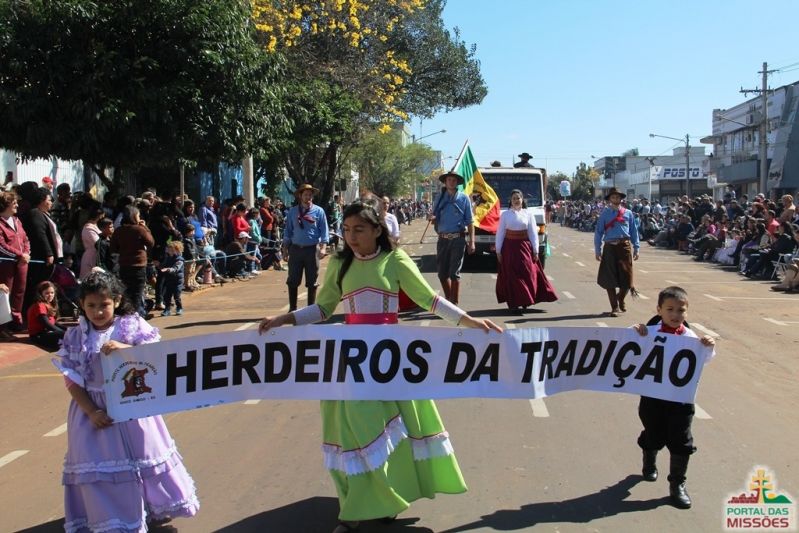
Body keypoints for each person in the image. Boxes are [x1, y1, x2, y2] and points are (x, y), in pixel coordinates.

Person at [258, 201, 501, 533]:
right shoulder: (340, 263)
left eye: (359, 229)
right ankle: (352, 511)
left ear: (376, 230)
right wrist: (284, 319)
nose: (351, 236)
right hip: (352, 362)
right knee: (351, 432)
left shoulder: (395, 259)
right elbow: (324, 308)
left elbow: (429, 299)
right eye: (346, 230)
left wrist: (469, 321)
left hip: (390, 361)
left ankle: (387, 497)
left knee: (393, 432)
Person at [51, 271, 199, 530]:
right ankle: (111, 517)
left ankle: (154, 506)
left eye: (104, 304)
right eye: (91, 305)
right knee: (100, 466)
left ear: (117, 301)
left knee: (143, 455)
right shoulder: (76, 335)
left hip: (133, 404)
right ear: (82, 304)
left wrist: (126, 349)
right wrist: (91, 411)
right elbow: (72, 380)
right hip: (92, 410)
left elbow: (155, 357)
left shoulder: (131, 326)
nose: (98, 311)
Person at [632, 286, 716, 509]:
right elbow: (629, 348)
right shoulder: (649, 332)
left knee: (681, 441)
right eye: (670, 309)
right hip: (653, 398)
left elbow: (704, 359)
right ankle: (649, 460)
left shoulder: (690, 337)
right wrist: (636, 332)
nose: (675, 314)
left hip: (680, 401)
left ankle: (677, 484)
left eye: (681, 310)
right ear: (659, 309)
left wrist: (708, 346)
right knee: (654, 434)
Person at [495, 189, 558, 311]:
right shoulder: (505, 215)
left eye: (518, 198)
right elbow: (500, 233)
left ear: (522, 200)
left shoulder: (528, 214)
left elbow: (533, 233)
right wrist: (498, 250)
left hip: (524, 247)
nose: (516, 200)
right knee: (511, 275)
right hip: (509, 248)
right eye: (514, 198)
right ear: (510, 201)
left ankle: (525, 300)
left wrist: (535, 250)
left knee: (527, 272)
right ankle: (514, 303)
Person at [283, 183, 329, 310]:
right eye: (305, 195)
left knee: (312, 281)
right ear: (300, 196)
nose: (308, 197)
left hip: (312, 250)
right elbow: (288, 232)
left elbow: (324, 231)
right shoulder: (292, 212)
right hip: (296, 249)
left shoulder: (319, 211)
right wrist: (285, 249)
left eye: (310, 195)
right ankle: (293, 309)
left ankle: (310, 310)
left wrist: (323, 247)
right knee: (293, 280)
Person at [594, 187, 639, 316]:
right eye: (613, 197)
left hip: (624, 247)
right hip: (609, 247)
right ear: (609, 199)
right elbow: (598, 232)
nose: (615, 199)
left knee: (627, 278)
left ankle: (621, 298)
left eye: (618, 197)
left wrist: (636, 248)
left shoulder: (628, 213)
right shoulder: (605, 214)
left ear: (621, 199)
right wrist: (597, 250)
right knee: (610, 279)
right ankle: (614, 307)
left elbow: (634, 231)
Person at [431, 171, 474, 304]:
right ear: (445, 182)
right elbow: (434, 216)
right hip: (442, 239)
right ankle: (449, 299)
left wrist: (472, 242)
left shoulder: (464, 198)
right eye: (449, 180)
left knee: (454, 273)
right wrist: (432, 218)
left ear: (457, 183)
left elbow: (470, 222)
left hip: (458, 238)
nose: (451, 182)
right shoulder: (439, 197)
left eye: (454, 180)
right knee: (442, 274)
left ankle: (453, 303)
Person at [21, 187, 62, 313]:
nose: (51, 202)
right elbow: (40, 235)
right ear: (42, 200)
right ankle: (35, 312)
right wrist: (48, 253)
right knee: (38, 286)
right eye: (49, 200)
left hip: (45, 258)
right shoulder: (35, 214)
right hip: (40, 258)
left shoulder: (42, 214)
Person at [110, 205, 155, 317]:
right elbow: (151, 242)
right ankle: (136, 316)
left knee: (126, 292)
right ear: (134, 216)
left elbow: (113, 248)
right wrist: (145, 228)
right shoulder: (139, 229)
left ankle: (128, 314)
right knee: (137, 293)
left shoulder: (118, 231)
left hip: (124, 265)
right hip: (138, 265)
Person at [0, 191, 30, 334]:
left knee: (19, 291)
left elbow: (25, 239)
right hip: (6, 264)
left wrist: (26, 254)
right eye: (14, 203)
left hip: (22, 263)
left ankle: (16, 321)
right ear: (5, 205)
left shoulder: (17, 220)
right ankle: (3, 326)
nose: (17, 205)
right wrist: (19, 256)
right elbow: (1, 246)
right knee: (6, 293)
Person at [26, 280, 65, 351]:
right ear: (41, 294)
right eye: (47, 293)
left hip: (47, 333)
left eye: (52, 293)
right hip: (38, 336)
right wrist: (65, 333)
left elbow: (54, 323)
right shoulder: (39, 305)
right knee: (64, 335)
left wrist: (67, 329)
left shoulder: (48, 304)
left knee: (70, 332)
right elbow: (46, 324)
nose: (50, 295)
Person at [78, 205, 105, 279]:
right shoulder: (88, 228)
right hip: (90, 258)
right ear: (99, 216)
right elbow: (98, 243)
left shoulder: (95, 226)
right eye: (103, 215)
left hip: (97, 256)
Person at [160, 240, 185, 316]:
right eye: (169, 249)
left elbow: (176, 268)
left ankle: (179, 308)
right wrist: (159, 265)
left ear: (177, 250)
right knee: (167, 296)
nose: (169, 251)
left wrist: (168, 269)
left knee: (176, 295)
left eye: (171, 249)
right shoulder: (168, 258)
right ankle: (167, 309)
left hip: (178, 280)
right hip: (169, 279)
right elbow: (163, 266)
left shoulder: (179, 259)